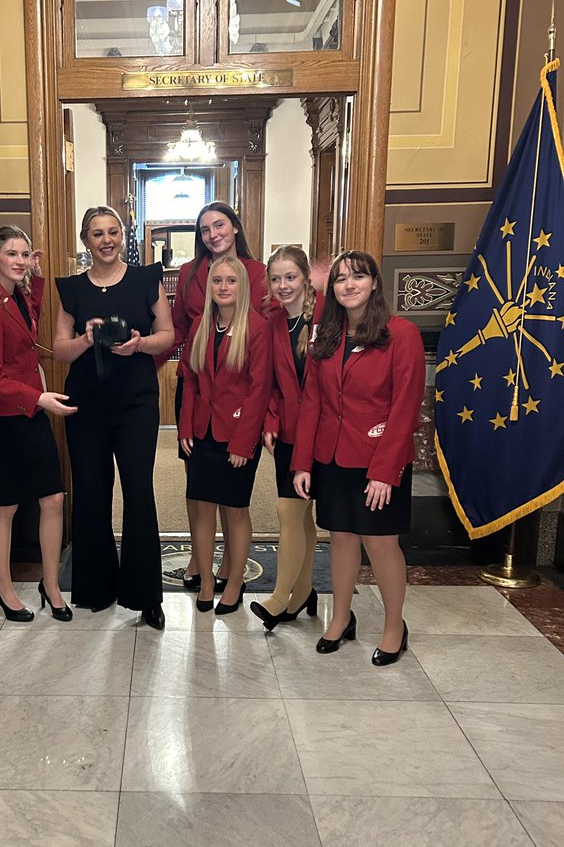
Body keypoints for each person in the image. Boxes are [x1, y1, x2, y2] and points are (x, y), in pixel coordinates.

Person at [291, 250, 426, 665]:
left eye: (358, 277)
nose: (349, 285)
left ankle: (392, 627)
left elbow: (405, 408)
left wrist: (385, 471)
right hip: (332, 457)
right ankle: (341, 618)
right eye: (340, 279)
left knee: (381, 543)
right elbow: (311, 402)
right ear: (331, 289)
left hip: (378, 460)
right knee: (342, 538)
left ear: (374, 283)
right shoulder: (326, 335)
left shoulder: (401, 334)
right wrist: (302, 462)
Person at [54, 205, 174, 629]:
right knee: (91, 491)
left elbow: (168, 336)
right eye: (97, 234)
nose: (106, 240)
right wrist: (86, 339)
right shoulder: (71, 289)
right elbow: (59, 348)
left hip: (135, 403)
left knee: (139, 492)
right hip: (85, 404)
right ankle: (95, 587)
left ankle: (146, 597)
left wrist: (140, 344)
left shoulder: (146, 279)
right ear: (86, 241)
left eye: (113, 232)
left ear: (123, 236)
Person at [0, 226, 76, 622]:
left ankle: (50, 584)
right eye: (11, 253)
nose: (19, 260)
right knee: (7, 506)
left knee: (53, 499)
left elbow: (26, 319)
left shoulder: (17, 296)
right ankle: (4, 587)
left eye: (25, 254)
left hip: (30, 415)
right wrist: (39, 398)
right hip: (6, 420)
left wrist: (38, 272)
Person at [168, 202, 269, 593]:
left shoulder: (257, 272)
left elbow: (267, 338)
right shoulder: (190, 272)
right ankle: (200, 562)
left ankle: (230, 567)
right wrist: (143, 354)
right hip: (198, 385)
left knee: (233, 495)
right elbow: (177, 328)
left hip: (240, 384)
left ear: (235, 227)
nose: (213, 234)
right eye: (205, 229)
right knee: (199, 486)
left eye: (220, 225)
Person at [250, 246, 323, 630]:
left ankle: (280, 599)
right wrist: (271, 419)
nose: (283, 286)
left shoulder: (328, 316)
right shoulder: (274, 321)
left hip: (323, 434)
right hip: (289, 435)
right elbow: (275, 385)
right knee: (299, 515)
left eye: (290, 277)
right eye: (275, 279)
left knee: (289, 512)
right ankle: (304, 589)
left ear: (306, 277)